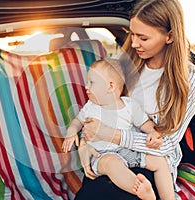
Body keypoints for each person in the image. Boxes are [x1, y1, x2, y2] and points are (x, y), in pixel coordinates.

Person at [75, 0, 195, 199]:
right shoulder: (123, 66)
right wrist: (84, 145)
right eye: (132, 34)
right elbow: (97, 108)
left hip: (150, 163)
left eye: (143, 38)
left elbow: (167, 143)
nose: (134, 43)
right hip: (109, 155)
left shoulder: (192, 80)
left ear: (170, 36)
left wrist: (114, 135)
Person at [62, 59, 175, 200]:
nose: (86, 86)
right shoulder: (91, 107)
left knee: (159, 161)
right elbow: (78, 121)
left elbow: (144, 123)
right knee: (112, 164)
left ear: (110, 86)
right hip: (101, 155)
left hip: (127, 151)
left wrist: (153, 132)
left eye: (92, 82)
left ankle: (169, 197)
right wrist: (71, 132)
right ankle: (140, 190)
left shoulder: (129, 106)